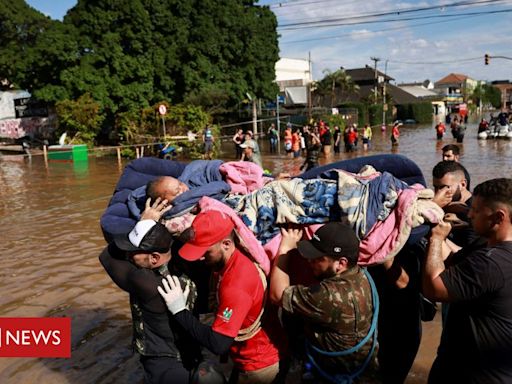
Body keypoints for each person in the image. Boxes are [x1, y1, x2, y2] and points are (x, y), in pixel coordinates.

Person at [157, 210, 283, 384]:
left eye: (205, 252)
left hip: (258, 364)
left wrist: (179, 311)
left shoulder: (235, 286)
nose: (199, 258)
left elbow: (218, 344)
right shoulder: (233, 258)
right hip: (250, 352)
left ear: (226, 243)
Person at [423, 178, 512, 383]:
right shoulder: (488, 249)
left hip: (473, 375)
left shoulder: (490, 263)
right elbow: (454, 262)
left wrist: (436, 240)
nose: (470, 215)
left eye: (477, 210)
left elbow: (433, 288)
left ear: (499, 217)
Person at [269, 223, 380, 383]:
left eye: (318, 258)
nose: (309, 260)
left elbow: (277, 295)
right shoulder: (362, 275)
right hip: (365, 372)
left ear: (341, 263)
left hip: (337, 377)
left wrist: (285, 249)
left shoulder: (329, 296)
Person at [99, 219, 202, 384]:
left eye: (133, 252)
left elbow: (106, 256)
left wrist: (141, 219)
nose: (128, 256)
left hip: (163, 362)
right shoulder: (183, 263)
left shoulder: (146, 283)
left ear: (154, 258)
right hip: (191, 353)